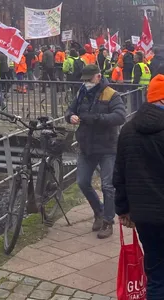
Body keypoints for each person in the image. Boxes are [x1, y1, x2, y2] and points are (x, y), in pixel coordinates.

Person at [113, 73, 164, 299]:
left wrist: (122, 209)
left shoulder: (128, 129)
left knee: (155, 273)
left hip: (144, 216)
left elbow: (119, 175)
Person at [65, 64, 126, 239]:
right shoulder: (81, 93)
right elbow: (69, 110)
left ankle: (108, 221)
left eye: (89, 79)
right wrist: (71, 117)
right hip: (87, 145)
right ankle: (98, 211)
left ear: (98, 77)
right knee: (82, 182)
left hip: (107, 146)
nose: (86, 82)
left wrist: (98, 118)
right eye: (84, 79)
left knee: (108, 185)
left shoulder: (111, 94)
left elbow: (120, 116)